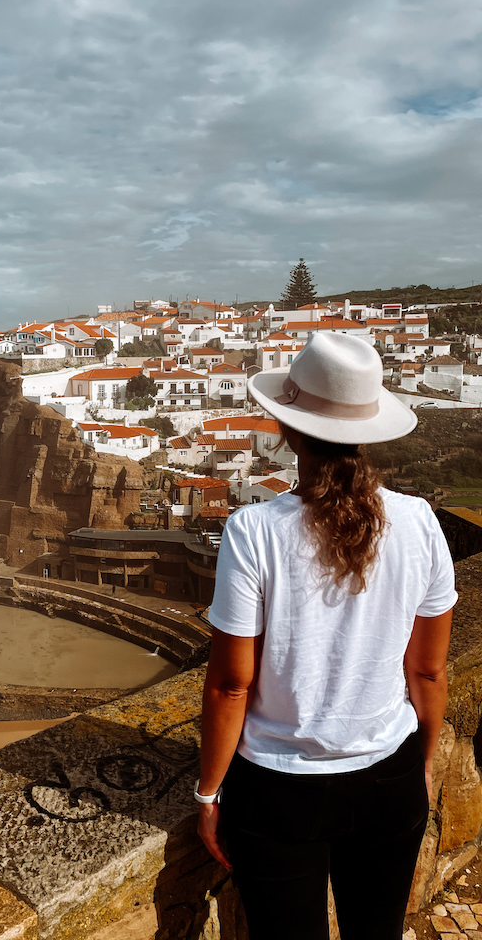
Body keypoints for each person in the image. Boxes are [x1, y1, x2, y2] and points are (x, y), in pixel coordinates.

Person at [197, 332, 456, 940]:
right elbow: (429, 672)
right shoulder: (419, 521)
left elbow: (232, 686)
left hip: (278, 790)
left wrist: (208, 793)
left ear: (286, 430)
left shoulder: (254, 529)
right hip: (387, 773)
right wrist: (418, 758)